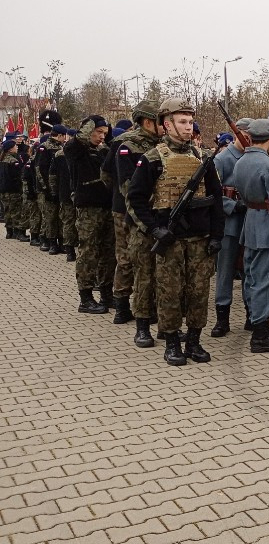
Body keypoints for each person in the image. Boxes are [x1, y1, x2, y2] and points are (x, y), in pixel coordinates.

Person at [126, 98, 224, 365]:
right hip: (170, 240)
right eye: (182, 121)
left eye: (190, 121)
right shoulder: (153, 158)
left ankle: (194, 341)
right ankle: (171, 343)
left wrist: (217, 236)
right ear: (167, 124)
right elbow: (134, 200)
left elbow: (216, 199)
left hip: (200, 239)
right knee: (169, 291)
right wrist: (154, 229)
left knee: (199, 292)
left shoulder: (203, 158)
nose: (188, 126)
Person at [232, 119, 269, 354]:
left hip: (250, 223)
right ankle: (261, 334)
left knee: (252, 277)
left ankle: (258, 325)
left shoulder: (241, 162)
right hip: (268, 227)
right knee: (267, 280)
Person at [117, 100, 163, 347]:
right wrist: (146, 222)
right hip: (141, 223)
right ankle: (142, 326)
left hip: (167, 222)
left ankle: (166, 324)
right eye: (161, 121)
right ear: (148, 122)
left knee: (166, 277)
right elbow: (128, 190)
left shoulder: (166, 147)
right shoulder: (128, 147)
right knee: (144, 276)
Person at [65, 116, 115, 314]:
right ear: (88, 130)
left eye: (105, 132)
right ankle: (85, 298)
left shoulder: (104, 151)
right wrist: (90, 124)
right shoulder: (76, 150)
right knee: (88, 252)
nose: (102, 136)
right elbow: (76, 142)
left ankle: (106, 293)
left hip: (107, 206)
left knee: (108, 253)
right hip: (88, 208)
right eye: (98, 131)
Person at [211, 118, 252, 338]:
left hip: (250, 221)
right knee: (225, 272)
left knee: (249, 271)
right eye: (245, 133)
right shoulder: (222, 159)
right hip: (229, 223)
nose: (248, 138)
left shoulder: (254, 157)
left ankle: (250, 315)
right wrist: (232, 205)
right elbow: (213, 192)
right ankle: (222, 319)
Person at [35, 110, 65, 253]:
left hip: (60, 187)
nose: (65, 138)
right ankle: (50, 241)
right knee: (50, 217)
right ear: (59, 135)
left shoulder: (61, 148)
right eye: (63, 136)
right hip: (47, 188)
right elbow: (40, 170)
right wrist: (46, 188)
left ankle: (60, 241)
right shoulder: (44, 147)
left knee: (60, 217)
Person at [50, 139, 77, 260]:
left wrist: (54, 192)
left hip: (65, 192)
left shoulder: (59, 155)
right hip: (78, 192)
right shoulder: (84, 152)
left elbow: (53, 176)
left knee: (68, 222)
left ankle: (69, 250)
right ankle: (72, 248)